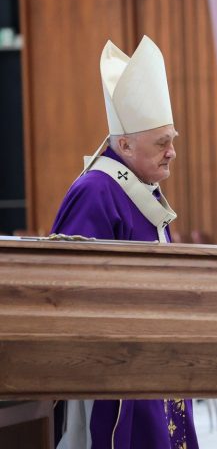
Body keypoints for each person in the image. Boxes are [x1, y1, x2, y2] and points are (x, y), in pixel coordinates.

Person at [52, 36, 198, 449]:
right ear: (125, 144)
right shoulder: (96, 191)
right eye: (162, 143)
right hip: (116, 367)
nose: (172, 152)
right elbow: (70, 287)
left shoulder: (141, 186)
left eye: (172, 140)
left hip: (153, 355)